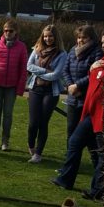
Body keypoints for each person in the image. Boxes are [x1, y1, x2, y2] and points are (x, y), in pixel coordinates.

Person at [52, 30, 104, 200]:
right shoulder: (101, 62)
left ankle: (99, 191)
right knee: (74, 141)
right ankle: (66, 179)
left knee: (102, 153)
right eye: (103, 42)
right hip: (91, 113)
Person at [0, 19, 29, 151]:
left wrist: (20, 88)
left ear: (16, 32)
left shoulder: (21, 47)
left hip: (12, 87)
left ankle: (5, 142)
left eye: (10, 31)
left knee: (8, 114)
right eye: (5, 30)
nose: (8, 33)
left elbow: (23, 69)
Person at [25, 24, 68, 163]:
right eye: (45, 36)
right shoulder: (37, 49)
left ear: (56, 37)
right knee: (33, 123)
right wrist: (44, 71)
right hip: (35, 89)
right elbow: (29, 66)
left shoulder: (62, 54)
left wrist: (39, 72)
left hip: (51, 92)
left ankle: (38, 154)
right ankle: (31, 145)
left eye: (50, 36)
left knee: (43, 122)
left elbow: (56, 75)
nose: (47, 39)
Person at [62, 25, 104, 139]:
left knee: (88, 135)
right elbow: (65, 70)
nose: (80, 40)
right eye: (79, 37)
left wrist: (78, 85)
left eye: (84, 37)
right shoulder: (72, 50)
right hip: (72, 98)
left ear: (91, 37)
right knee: (70, 131)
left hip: (86, 97)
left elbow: (95, 74)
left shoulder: (97, 51)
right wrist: (70, 86)